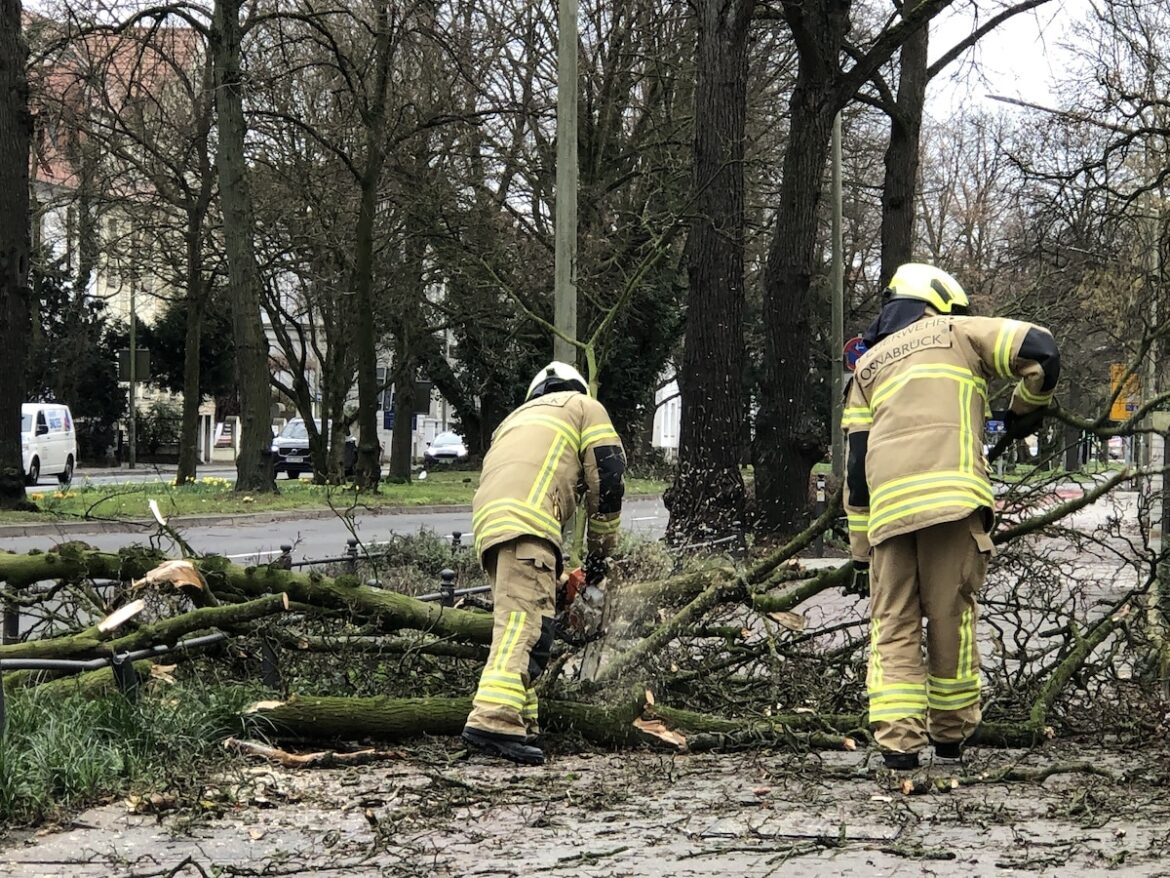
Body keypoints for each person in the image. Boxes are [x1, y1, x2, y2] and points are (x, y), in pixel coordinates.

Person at [843, 263, 1060, 770]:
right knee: (950, 619)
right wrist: (1026, 410)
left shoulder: (867, 368)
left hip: (890, 513)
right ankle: (949, 738)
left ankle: (898, 748)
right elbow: (1043, 351)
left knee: (892, 625)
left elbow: (856, 471)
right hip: (952, 503)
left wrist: (859, 555)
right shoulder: (959, 333)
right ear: (939, 304)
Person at [462, 361, 626, 765]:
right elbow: (608, 474)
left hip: (492, 526)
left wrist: (559, 578)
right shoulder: (585, 407)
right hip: (529, 523)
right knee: (523, 626)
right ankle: (493, 721)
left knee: (532, 622)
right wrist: (599, 555)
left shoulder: (514, 420)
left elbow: (535, 480)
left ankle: (523, 722)